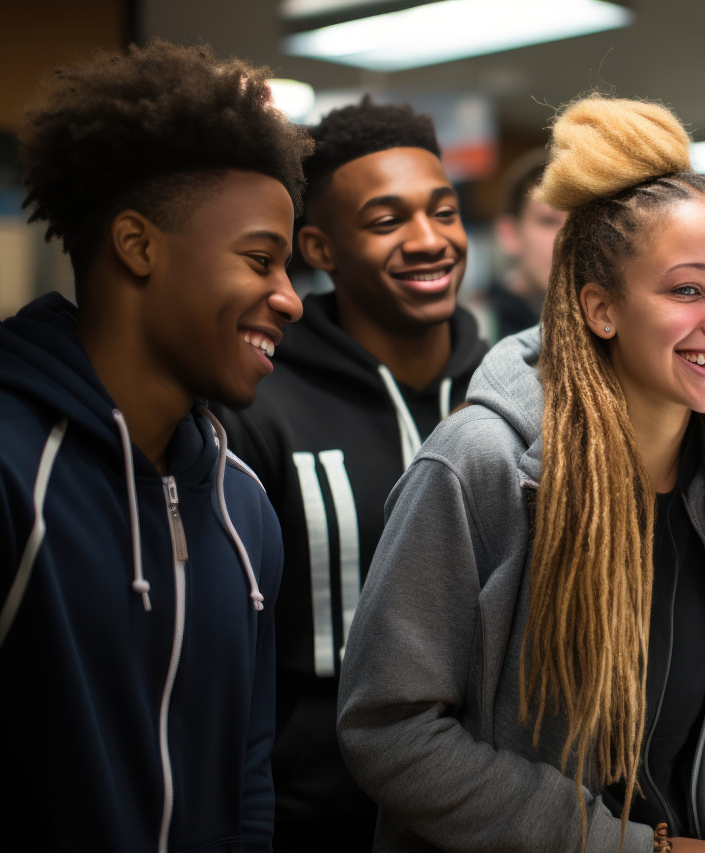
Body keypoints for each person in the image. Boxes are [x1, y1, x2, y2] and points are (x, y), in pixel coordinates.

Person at [337, 95, 705, 853]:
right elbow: (388, 730)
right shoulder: (480, 462)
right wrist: (627, 845)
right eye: (688, 289)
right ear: (600, 308)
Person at [0, 40, 311, 850]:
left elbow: (249, 776)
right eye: (260, 260)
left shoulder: (244, 506)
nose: (289, 299)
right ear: (138, 244)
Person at [213, 98, 488, 850]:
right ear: (321, 247)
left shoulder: (507, 399)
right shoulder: (259, 405)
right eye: (385, 220)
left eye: (444, 211)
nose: (429, 240)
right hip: (313, 821)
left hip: (483, 807)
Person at [481, 150, 568, 340]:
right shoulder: (473, 332)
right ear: (509, 234)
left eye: (578, 225)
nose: (567, 238)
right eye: (548, 221)